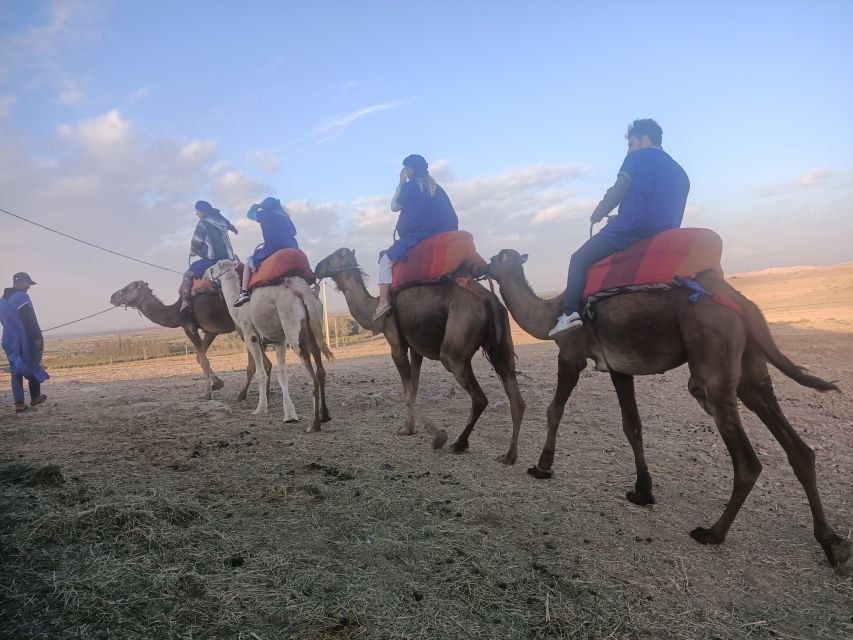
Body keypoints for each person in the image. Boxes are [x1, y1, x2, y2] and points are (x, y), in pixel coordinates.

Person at [549, 119, 690, 337]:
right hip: (664, 234)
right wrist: (621, 215)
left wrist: (599, 212)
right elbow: (653, 202)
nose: (628, 150)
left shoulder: (637, 158)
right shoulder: (681, 173)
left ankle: (570, 313)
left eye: (631, 143)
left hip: (630, 231)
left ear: (645, 140)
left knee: (579, 259)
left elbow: (619, 189)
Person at [373, 154, 459, 319]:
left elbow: (394, 206)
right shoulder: (436, 188)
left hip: (416, 237)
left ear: (409, 170)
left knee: (385, 262)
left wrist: (401, 182)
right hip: (440, 235)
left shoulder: (410, 186)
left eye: (406, 168)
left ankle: (383, 302)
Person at [233, 197, 299, 307]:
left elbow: (249, 214)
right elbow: (294, 232)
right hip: (293, 248)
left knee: (248, 263)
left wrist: (257, 206)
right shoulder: (286, 217)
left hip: (273, 248)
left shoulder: (264, 214)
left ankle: (243, 293)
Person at [0, 272, 49, 414]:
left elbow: (4, 322)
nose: (29, 287)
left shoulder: (1, 301)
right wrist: (37, 337)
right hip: (25, 340)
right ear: (21, 282)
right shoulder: (22, 297)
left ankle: (20, 405)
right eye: (28, 283)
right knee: (33, 364)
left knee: (16, 371)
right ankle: (35, 397)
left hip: (9, 341)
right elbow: (29, 319)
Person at [180, 200, 238, 312]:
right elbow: (230, 225)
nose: (196, 214)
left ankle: (185, 302)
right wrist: (234, 230)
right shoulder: (220, 219)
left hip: (213, 259)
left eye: (197, 211)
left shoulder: (203, 223)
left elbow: (196, 242)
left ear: (202, 212)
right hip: (230, 258)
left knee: (187, 275)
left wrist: (192, 251)